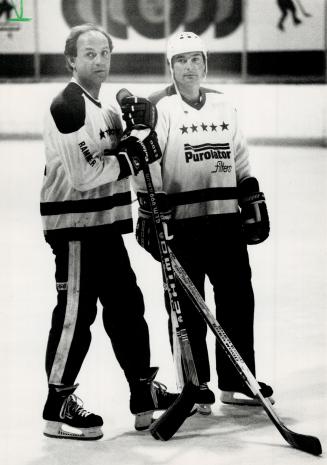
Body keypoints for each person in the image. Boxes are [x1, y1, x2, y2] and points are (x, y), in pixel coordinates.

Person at [123, 32, 274, 415]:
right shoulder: (159, 107)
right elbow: (145, 165)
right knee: (186, 309)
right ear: (170, 66)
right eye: (181, 60)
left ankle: (238, 379)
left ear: (205, 63)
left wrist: (249, 191)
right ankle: (193, 383)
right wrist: (148, 207)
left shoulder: (224, 104)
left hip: (225, 219)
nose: (190, 67)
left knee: (238, 297)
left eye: (196, 60)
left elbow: (237, 152)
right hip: (181, 225)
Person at [40, 23, 178, 440]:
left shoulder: (106, 110)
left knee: (127, 307)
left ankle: (143, 394)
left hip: (104, 226)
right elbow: (85, 176)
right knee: (75, 315)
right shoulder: (67, 105)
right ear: (71, 60)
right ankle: (57, 405)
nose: (100, 61)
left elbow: (133, 161)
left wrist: (141, 141)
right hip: (75, 228)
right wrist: (132, 154)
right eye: (90, 54)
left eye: (105, 53)